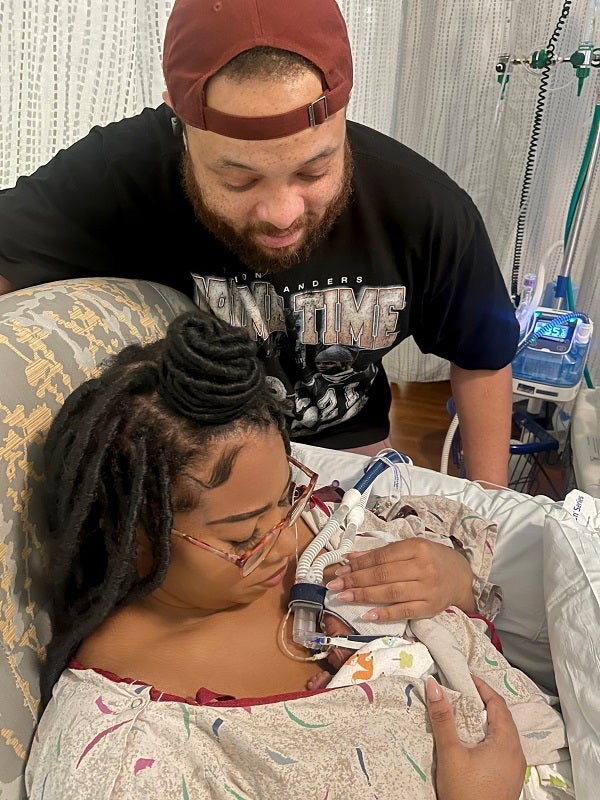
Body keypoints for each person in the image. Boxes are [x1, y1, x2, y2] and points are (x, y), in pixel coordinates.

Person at [25, 310, 570, 800]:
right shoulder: (127, 757)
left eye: (287, 498)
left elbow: (453, 560)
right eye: (243, 537)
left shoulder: (312, 524)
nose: (287, 545)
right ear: (133, 537)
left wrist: (455, 577)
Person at [0, 0, 519, 485]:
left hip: (347, 454)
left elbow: (482, 356)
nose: (282, 215)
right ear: (179, 123)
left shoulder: (422, 206)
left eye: (314, 170)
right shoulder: (121, 172)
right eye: (239, 180)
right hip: (195, 462)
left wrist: (489, 508)